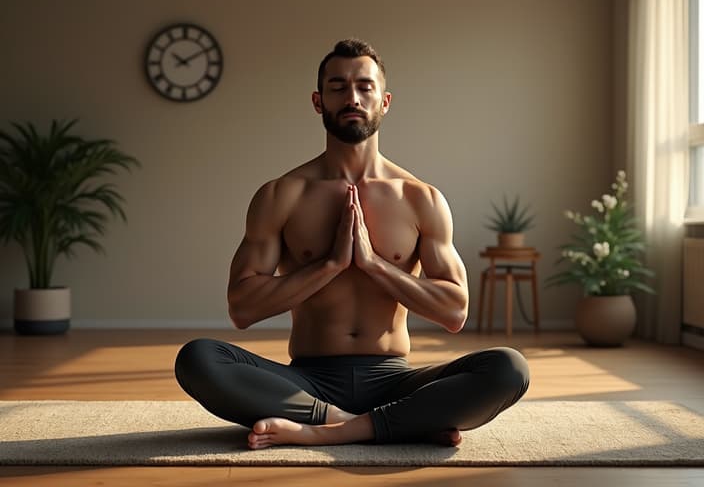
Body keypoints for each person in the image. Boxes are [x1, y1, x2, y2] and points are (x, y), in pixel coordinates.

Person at [175, 39, 529, 449]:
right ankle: (384, 424)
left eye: (364, 86)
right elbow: (242, 307)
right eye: (338, 86)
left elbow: (454, 310)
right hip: (307, 381)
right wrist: (329, 265)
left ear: (385, 101)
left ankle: (328, 430)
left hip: (396, 379)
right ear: (318, 100)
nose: (352, 97)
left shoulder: (420, 198)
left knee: (508, 368)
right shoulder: (282, 195)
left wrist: (375, 264)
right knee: (197, 359)